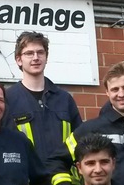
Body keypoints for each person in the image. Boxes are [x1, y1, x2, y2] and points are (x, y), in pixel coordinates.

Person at [6, 31, 83, 163]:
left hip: (63, 174)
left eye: (40, 52)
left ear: (46, 57)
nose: (36, 58)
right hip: (26, 175)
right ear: (19, 60)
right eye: (29, 53)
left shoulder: (64, 99)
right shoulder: (8, 99)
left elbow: (80, 140)